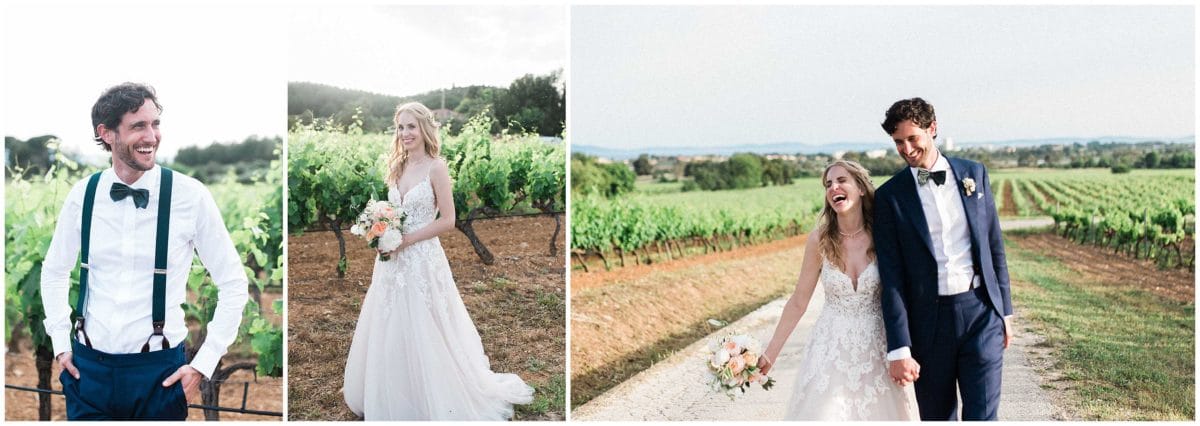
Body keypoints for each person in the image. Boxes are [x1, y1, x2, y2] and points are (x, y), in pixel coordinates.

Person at [40, 83, 249, 420]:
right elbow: (53, 272)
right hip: (88, 371)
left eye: (155, 124)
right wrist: (61, 343)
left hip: (159, 375)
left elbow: (233, 282)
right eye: (138, 126)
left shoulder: (190, 196)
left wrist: (203, 363)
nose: (151, 135)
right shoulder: (83, 195)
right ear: (106, 133)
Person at [342, 102, 534, 420]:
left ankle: (433, 393)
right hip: (393, 259)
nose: (405, 133)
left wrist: (407, 240)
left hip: (421, 259)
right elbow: (393, 213)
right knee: (390, 322)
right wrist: (382, 233)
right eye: (400, 127)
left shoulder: (436, 167)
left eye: (411, 127)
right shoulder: (397, 166)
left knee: (427, 324)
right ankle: (392, 392)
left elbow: (448, 220)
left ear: (424, 129)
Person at [873, 97, 1012, 420]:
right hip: (928, 324)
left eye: (912, 138)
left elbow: (994, 245)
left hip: (981, 313)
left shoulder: (973, 174)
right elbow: (891, 278)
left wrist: (1004, 310)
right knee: (937, 417)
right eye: (898, 143)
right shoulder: (889, 197)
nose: (906, 149)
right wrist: (899, 346)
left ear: (932, 129)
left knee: (983, 416)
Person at [758, 160, 919, 421]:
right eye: (828, 184)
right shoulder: (819, 240)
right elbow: (799, 301)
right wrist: (771, 353)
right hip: (830, 351)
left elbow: (904, 294)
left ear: (861, 188)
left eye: (841, 180)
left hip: (877, 349)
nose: (834, 188)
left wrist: (909, 350)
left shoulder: (884, 235)